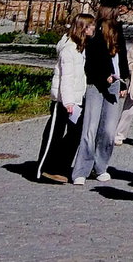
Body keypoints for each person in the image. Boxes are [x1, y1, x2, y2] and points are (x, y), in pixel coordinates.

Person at [70, 8, 123, 184]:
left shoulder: (118, 30)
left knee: (108, 131)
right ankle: (81, 170)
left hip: (113, 85)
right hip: (95, 84)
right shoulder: (93, 34)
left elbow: (121, 57)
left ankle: (100, 166)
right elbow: (89, 63)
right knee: (90, 129)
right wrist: (104, 76)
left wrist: (125, 78)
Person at [38, 15, 91, 183]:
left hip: (76, 98)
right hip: (63, 100)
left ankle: (59, 166)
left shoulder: (80, 48)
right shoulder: (68, 49)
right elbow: (66, 78)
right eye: (89, 27)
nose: (92, 30)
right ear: (82, 28)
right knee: (54, 134)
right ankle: (44, 168)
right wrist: (68, 101)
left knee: (75, 133)